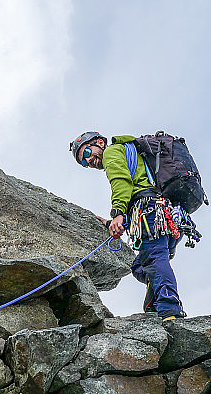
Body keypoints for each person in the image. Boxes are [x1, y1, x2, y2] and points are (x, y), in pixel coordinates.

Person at [70, 131, 186, 321]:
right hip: (167, 214)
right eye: (84, 162)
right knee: (140, 265)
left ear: (99, 142)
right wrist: (111, 223)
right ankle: (156, 303)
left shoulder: (111, 152)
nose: (89, 161)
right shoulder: (130, 152)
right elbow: (136, 185)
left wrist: (116, 213)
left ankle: (169, 311)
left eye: (88, 152)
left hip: (150, 211)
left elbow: (122, 183)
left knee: (154, 259)